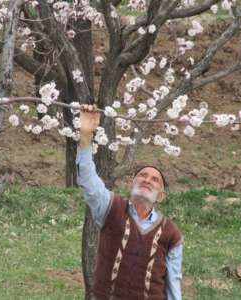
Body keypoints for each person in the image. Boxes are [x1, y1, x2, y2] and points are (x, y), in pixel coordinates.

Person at [76, 104, 183, 300]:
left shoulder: (171, 233)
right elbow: (87, 179)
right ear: (131, 183)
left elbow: (173, 281)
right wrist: (85, 136)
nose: (147, 180)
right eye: (142, 175)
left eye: (154, 179)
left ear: (161, 196)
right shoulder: (110, 209)